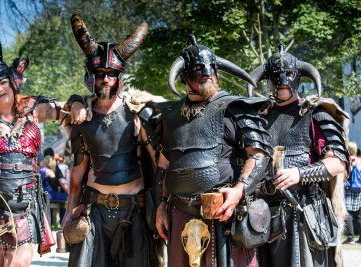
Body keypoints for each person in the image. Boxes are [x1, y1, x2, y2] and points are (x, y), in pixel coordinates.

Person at [0, 10, 83, 266]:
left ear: (12, 83)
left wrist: (77, 102)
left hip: (27, 205)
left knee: (19, 262)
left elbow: (66, 109)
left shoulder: (33, 110)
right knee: (1, 264)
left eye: (3, 82)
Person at [154, 35, 272, 267]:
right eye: (198, 69)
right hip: (179, 214)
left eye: (211, 68)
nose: (207, 73)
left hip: (223, 215)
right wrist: (161, 206)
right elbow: (164, 165)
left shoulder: (234, 107)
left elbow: (258, 154)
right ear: (184, 76)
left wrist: (239, 190)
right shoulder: (170, 115)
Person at [62, 13, 157, 267]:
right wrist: (69, 211)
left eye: (111, 74)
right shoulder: (82, 118)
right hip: (95, 212)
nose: (105, 79)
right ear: (91, 75)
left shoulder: (138, 111)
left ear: (120, 78)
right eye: (100, 73)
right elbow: (78, 172)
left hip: (133, 212)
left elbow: (160, 164)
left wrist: (161, 209)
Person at [247, 44, 349, 266]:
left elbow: (338, 162)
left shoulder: (315, 112)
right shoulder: (257, 118)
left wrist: (299, 174)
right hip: (262, 214)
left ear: (297, 77)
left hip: (302, 213)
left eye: (288, 75)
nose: (282, 81)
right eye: (276, 76)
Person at [343, 143, 361, 244]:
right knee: (358, 215)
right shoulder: (359, 160)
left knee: (347, 213)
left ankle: (351, 237)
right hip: (359, 190)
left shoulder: (348, 160)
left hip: (349, 189)